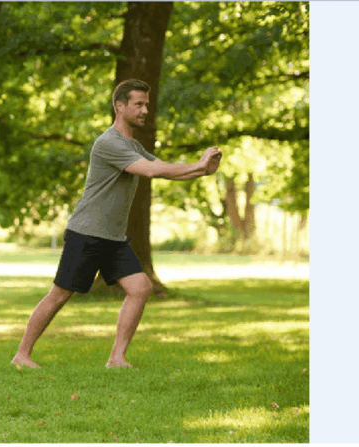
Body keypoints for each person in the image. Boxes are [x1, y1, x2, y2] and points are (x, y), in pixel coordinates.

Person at [11, 79, 221, 369]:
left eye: (147, 104)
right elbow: (150, 170)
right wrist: (197, 165)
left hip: (113, 238)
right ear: (120, 106)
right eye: (139, 104)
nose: (145, 110)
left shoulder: (132, 145)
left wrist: (202, 171)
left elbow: (163, 169)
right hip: (87, 233)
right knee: (60, 295)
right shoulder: (109, 142)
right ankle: (22, 355)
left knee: (141, 288)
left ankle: (117, 358)